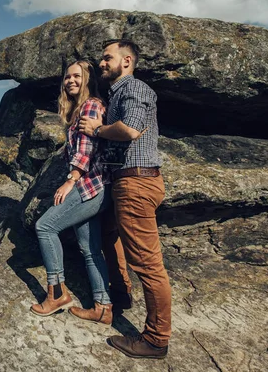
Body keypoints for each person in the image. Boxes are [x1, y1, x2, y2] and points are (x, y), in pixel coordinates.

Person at [78, 39, 171, 359]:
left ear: (127, 61)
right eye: (101, 58)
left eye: (108, 58)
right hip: (126, 182)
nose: (102, 63)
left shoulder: (136, 89)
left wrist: (96, 129)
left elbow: (130, 130)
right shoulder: (118, 93)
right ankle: (121, 293)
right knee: (109, 234)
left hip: (136, 183)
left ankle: (156, 340)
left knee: (147, 265)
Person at [30, 60, 114, 325]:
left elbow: (86, 150)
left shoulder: (91, 105)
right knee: (90, 248)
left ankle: (57, 294)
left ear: (87, 79)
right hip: (95, 186)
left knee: (45, 227)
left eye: (77, 76)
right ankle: (103, 307)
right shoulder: (80, 110)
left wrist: (70, 179)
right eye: (67, 77)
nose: (70, 81)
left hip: (90, 185)